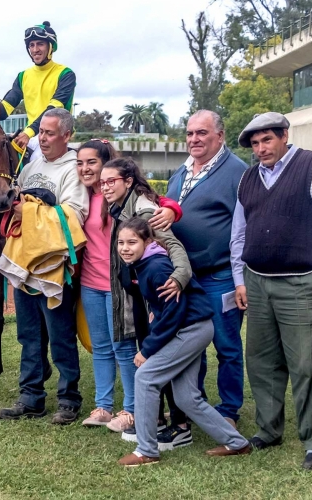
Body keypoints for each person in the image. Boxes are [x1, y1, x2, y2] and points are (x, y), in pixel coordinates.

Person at [231, 112, 312, 471]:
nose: (261, 148)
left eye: (267, 140)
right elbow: (239, 232)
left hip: (300, 281)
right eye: (254, 143)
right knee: (262, 361)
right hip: (256, 280)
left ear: (284, 135)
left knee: (305, 363)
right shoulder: (248, 178)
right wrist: (239, 278)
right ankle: (269, 429)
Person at [115, 218, 251, 467]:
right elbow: (170, 303)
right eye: (121, 242)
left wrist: (148, 349)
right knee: (187, 396)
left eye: (132, 242)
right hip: (193, 326)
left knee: (145, 377)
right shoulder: (144, 264)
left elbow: (177, 310)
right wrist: (159, 308)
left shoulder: (156, 267)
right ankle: (237, 443)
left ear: (148, 242)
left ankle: (146, 450)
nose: (125, 247)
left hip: (191, 329)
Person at [76, 140, 182, 431]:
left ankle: (131, 409)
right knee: (100, 347)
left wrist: (172, 208)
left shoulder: (128, 197)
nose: (87, 169)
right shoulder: (83, 196)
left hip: (118, 286)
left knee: (123, 346)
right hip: (90, 282)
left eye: (93, 163)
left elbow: (155, 213)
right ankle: (103, 406)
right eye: (80, 163)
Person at [0, 108, 88, 425]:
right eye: (41, 132)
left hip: (54, 266)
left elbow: (74, 215)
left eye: (49, 133)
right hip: (25, 264)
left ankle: (68, 399)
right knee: (29, 336)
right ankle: (31, 397)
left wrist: (29, 212)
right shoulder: (31, 164)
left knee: (60, 335)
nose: (43, 138)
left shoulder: (73, 169)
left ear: (67, 135)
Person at [164, 110, 248, 430]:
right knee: (189, 345)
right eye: (189, 133)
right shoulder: (181, 172)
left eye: (202, 133)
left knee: (226, 346)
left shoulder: (237, 173)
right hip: (185, 277)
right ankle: (191, 403)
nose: (194, 140)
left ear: (220, 136)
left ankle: (228, 410)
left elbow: (245, 226)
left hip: (219, 275)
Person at [100, 157, 192, 440]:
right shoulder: (119, 206)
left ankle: (180, 425)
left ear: (128, 181)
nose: (104, 187)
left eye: (111, 181)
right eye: (102, 182)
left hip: (159, 295)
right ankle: (157, 419)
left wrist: (179, 277)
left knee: (162, 357)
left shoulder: (143, 208)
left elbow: (172, 244)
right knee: (153, 358)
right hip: (141, 297)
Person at [0, 21, 76, 160]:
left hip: (56, 135)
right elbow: (3, 112)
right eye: (31, 45)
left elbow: (52, 112)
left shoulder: (66, 74)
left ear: (51, 47)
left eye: (40, 44)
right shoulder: (23, 76)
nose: (35, 49)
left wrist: (28, 133)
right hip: (32, 136)